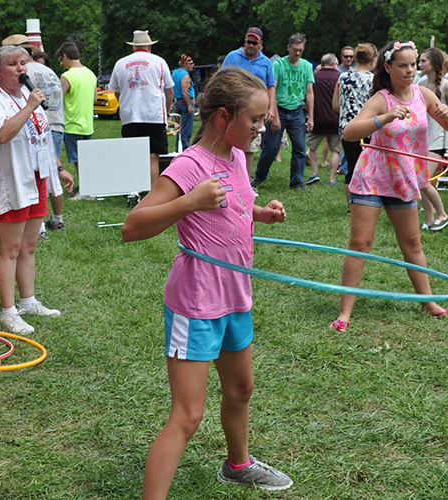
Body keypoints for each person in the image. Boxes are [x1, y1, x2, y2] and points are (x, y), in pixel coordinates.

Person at [121, 67, 292, 498]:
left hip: (235, 294)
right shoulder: (188, 164)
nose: (259, 128)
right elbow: (132, 226)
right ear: (221, 116)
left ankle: (238, 465)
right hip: (197, 302)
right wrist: (189, 200)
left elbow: (234, 205)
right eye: (253, 120)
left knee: (241, 389)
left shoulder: (236, 156)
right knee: (187, 415)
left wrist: (259, 213)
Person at [330, 40, 448, 332]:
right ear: (387, 67)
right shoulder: (381, 98)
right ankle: (344, 313)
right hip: (372, 180)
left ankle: (429, 303)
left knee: (413, 244)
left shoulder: (422, 94)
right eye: (402, 65)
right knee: (360, 244)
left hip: (403, 180)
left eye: (413, 64)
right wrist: (384, 118)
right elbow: (350, 132)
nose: (410, 70)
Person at [0, 45, 65, 334]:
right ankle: (8, 312)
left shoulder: (27, 94)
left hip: (36, 178)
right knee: (10, 248)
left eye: (23, 63)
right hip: (10, 181)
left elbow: (40, 135)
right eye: (13, 64)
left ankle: (28, 301)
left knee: (29, 246)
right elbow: (0, 135)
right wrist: (28, 108)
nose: (20, 68)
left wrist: (58, 167)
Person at [2, 34, 73, 240]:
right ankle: (57, 219)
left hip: (32, 125)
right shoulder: (49, 70)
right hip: (55, 123)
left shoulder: (20, 74)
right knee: (50, 174)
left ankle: (39, 227)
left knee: (35, 177)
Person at [109, 30, 174, 188]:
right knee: (153, 155)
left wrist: (125, 105)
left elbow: (116, 91)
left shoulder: (120, 63)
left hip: (130, 116)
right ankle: (152, 191)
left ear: (133, 47)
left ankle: (135, 189)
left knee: (133, 155)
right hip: (153, 115)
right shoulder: (159, 61)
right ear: (149, 46)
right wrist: (166, 109)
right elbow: (169, 90)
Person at [251, 33, 314, 191]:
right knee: (270, 148)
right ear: (288, 48)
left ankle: (296, 182)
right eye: (295, 49)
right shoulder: (278, 65)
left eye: (300, 50)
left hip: (297, 111)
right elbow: (271, 89)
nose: (298, 53)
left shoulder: (306, 66)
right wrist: (275, 116)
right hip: (279, 108)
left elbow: (310, 93)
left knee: (299, 148)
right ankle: (259, 177)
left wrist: (311, 116)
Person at [222, 27, 280, 178]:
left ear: (260, 43)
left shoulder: (266, 61)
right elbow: (222, 81)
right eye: (249, 41)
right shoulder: (232, 57)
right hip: (235, 108)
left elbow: (271, 87)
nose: (251, 45)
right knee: (231, 144)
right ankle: (228, 177)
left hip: (255, 111)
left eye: (255, 43)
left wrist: (271, 109)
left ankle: (245, 183)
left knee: (250, 147)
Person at [333, 42, 378, 213]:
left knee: (352, 167)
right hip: (368, 128)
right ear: (373, 60)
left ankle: (351, 208)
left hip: (347, 129)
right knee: (369, 168)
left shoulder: (343, 77)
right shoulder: (373, 80)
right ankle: (367, 203)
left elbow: (335, 105)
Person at [417, 47, 448, 231]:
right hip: (420, 140)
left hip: (438, 140)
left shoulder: (447, 86)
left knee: (423, 181)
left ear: (433, 64)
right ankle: (431, 221)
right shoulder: (419, 83)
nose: (419, 65)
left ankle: (442, 215)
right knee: (421, 182)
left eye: (422, 61)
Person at [55, 41, 97, 195]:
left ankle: (86, 189)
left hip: (72, 123)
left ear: (64, 57)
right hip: (88, 124)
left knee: (78, 160)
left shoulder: (67, 76)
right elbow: (94, 98)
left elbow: (56, 100)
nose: (61, 64)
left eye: (60, 60)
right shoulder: (90, 74)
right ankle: (88, 186)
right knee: (85, 158)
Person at [304, 53, 341, 186]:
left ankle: (314, 173)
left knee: (312, 147)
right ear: (334, 64)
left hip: (317, 119)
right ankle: (331, 179)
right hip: (335, 120)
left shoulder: (314, 77)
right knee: (335, 150)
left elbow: (307, 98)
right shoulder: (339, 77)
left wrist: (310, 116)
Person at [171, 54, 195, 151]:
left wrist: (173, 100)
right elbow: (184, 91)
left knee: (180, 128)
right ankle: (185, 148)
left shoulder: (174, 73)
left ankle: (178, 148)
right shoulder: (185, 75)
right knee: (186, 128)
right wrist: (189, 105)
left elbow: (171, 87)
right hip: (185, 102)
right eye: (191, 63)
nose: (193, 65)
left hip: (178, 102)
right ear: (185, 64)